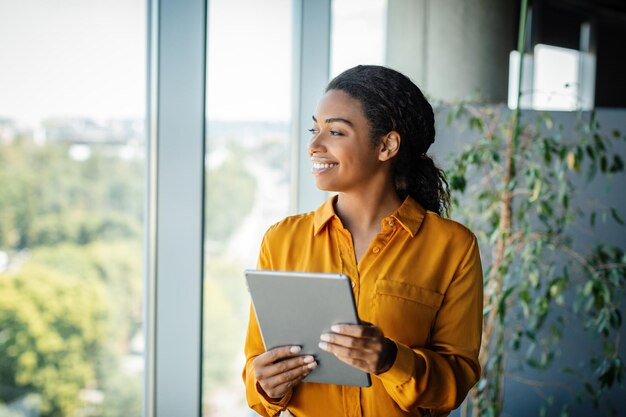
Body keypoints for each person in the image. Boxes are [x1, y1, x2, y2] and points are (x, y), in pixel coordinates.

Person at [243, 65, 483, 417]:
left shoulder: (453, 247)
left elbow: (456, 381)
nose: (313, 145)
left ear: (386, 145)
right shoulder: (282, 240)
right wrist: (265, 384)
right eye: (315, 129)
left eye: (335, 131)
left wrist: (391, 359)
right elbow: (255, 370)